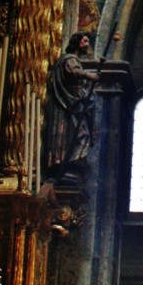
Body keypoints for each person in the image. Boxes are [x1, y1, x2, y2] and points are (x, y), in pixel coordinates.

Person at [42, 33, 100, 185]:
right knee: (79, 135)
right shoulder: (69, 59)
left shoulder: (74, 60)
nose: (87, 43)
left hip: (75, 104)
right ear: (76, 42)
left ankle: (71, 166)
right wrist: (88, 75)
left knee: (82, 135)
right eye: (84, 40)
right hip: (69, 105)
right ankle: (65, 166)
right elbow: (72, 71)